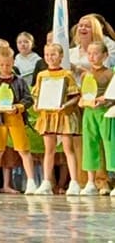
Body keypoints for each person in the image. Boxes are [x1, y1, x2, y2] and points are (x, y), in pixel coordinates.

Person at [0, 46, 38, 195]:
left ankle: (31, 182)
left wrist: (18, 107)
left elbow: (28, 99)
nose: (5, 68)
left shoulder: (19, 81)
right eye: (2, 65)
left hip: (15, 119)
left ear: (13, 63)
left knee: (24, 150)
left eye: (8, 65)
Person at [32, 43, 82, 195]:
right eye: (47, 55)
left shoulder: (66, 74)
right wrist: (36, 104)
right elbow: (37, 95)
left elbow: (76, 96)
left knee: (68, 149)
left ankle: (74, 182)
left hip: (63, 115)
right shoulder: (42, 75)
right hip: (48, 115)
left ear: (61, 56)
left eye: (53, 54)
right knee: (49, 150)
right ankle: (47, 182)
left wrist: (65, 105)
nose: (50, 58)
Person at [78, 40, 114, 196]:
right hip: (89, 113)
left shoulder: (110, 74)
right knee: (89, 145)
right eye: (89, 53)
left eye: (96, 53)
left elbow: (112, 95)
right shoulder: (86, 75)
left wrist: (105, 100)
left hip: (105, 113)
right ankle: (91, 182)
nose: (92, 56)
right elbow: (83, 95)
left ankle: (111, 181)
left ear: (105, 55)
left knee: (110, 146)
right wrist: (82, 101)